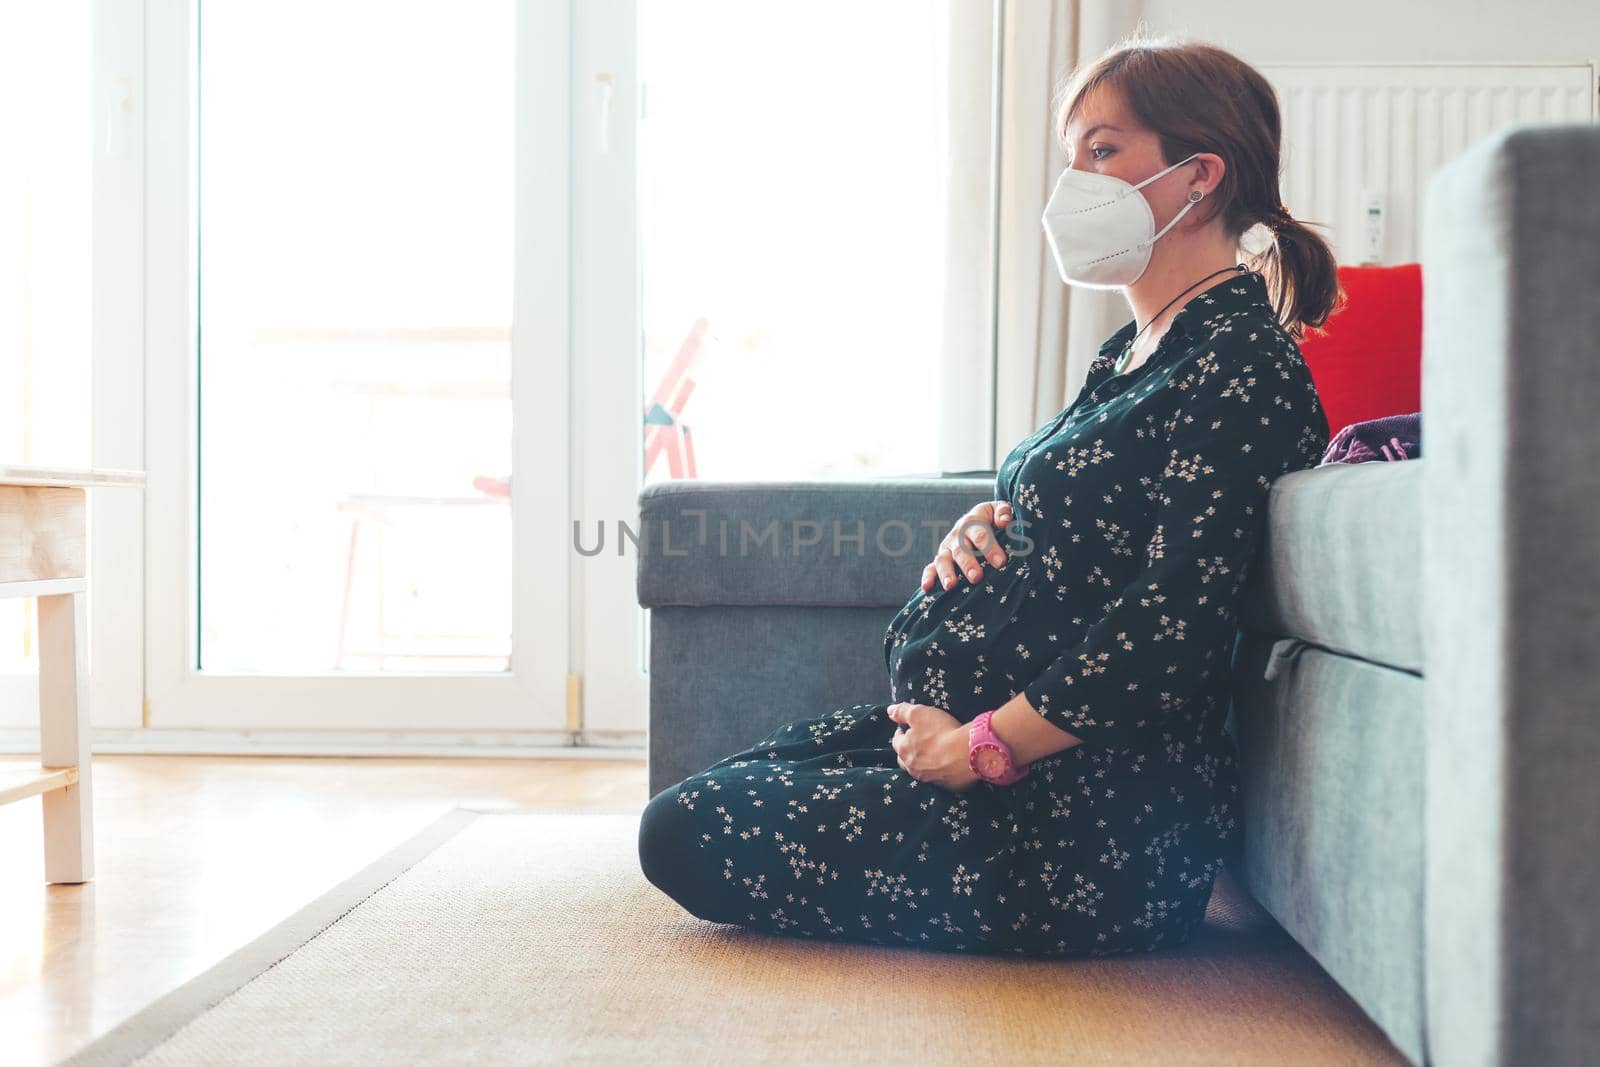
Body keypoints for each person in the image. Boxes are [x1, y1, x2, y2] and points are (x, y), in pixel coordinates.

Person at [637, 34, 1338, 957]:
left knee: (684, 831)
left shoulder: (1240, 360)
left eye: (1102, 150)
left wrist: (978, 748)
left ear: (1198, 175)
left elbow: (1177, 622)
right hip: (1007, 768)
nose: (1072, 182)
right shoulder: (1129, 353)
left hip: (1087, 823)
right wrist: (990, 521)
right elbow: (1091, 518)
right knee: (724, 780)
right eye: (1072, 154)